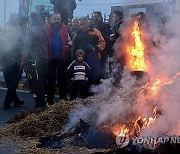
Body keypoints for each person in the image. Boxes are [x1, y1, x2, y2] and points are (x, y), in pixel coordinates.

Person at [21, 12, 49, 108]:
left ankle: (40, 105)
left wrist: (23, 61)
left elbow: (26, 46)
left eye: (30, 18)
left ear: (32, 19)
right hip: (44, 59)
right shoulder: (44, 30)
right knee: (42, 81)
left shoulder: (31, 31)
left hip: (35, 60)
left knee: (37, 82)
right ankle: (42, 102)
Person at [45, 13, 71, 104]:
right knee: (51, 81)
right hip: (50, 58)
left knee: (62, 80)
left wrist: (68, 46)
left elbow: (70, 40)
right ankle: (50, 100)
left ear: (60, 20)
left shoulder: (65, 28)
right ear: (51, 20)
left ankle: (62, 99)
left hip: (62, 58)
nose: (56, 21)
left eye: (58, 19)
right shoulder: (46, 28)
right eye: (54, 19)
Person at [1, 18, 24, 109]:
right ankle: (7, 103)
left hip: (6, 63)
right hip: (13, 63)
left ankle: (16, 101)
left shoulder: (4, 35)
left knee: (10, 83)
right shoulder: (18, 36)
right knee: (13, 84)